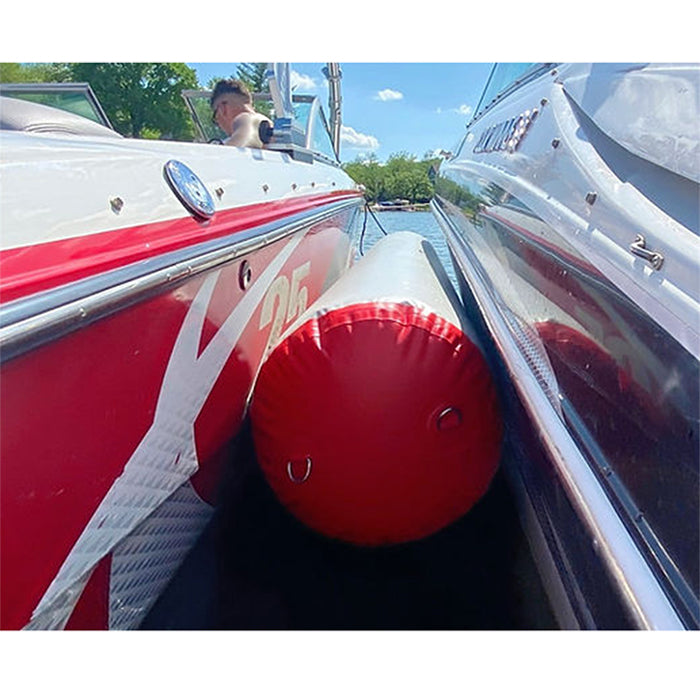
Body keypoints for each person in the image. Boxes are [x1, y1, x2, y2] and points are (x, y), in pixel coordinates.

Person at [210, 79, 271, 148]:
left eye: (215, 118)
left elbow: (235, 153)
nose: (219, 125)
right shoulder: (269, 127)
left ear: (222, 109)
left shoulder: (248, 119)